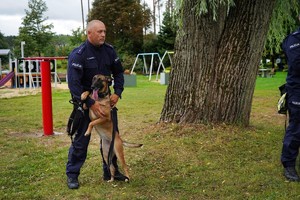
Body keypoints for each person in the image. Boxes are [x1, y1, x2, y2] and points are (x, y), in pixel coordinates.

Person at [66, 20, 126, 189]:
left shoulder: (109, 51)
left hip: (106, 102)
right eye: (99, 31)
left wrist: (117, 93)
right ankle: (72, 175)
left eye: (104, 31)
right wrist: (91, 103)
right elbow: (74, 85)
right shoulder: (79, 54)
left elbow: (119, 72)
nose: (103, 35)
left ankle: (111, 172)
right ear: (89, 33)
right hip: (84, 103)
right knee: (81, 141)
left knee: (111, 137)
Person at [281, 21, 300, 182]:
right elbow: (296, 64)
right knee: (296, 128)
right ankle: (289, 164)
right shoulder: (294, 40)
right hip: (298, 92)